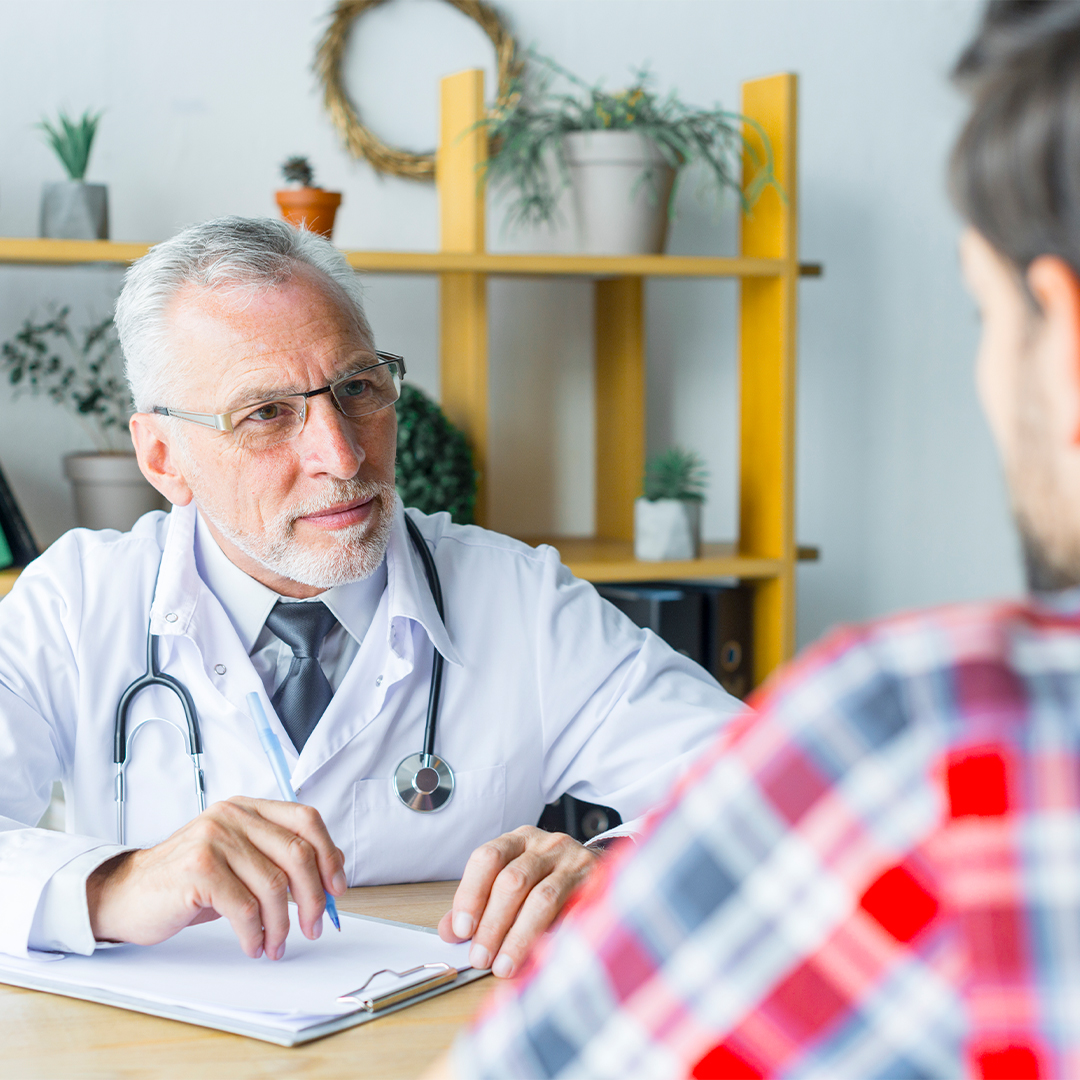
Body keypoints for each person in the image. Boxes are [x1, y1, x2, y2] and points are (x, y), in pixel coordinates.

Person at [438, 3, 1080, 1077]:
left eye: (987, 316)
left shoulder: (941, 740)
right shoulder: (88, 590)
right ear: (161, 455)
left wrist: (622, 862)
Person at [0, 217, 742, 970]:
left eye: (357, 387)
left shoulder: (518, 600)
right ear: (163, 456)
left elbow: (775, 795)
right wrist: (116, 886)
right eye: (266, 413)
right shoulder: (75, 603)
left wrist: (622, 868)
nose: (343, 452)